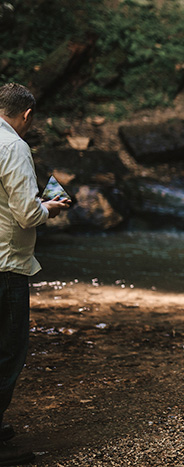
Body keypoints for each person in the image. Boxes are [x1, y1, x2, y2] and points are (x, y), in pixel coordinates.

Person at [0, 83, 71, 465]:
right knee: (9, 350)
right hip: (6, 262)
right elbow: (27, 215)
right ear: (26, 115)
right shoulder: (13, 147)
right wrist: (52, 208)